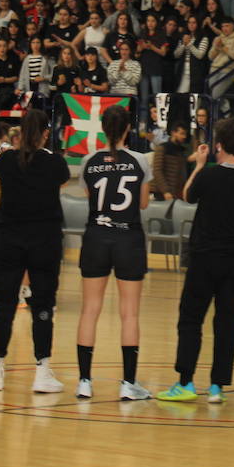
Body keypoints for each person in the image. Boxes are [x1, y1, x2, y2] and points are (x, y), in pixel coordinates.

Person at [157, 118, 234, 404]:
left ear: (218, 145)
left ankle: (186, 382)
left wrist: (200, 165)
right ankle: (217, 386)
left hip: (205, 259)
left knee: (191, 319)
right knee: (228, 322)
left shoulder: (209, 175)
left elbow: (186, 195)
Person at [0, 109, 72, 393]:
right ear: (46, 133)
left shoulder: (6, 160)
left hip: (9, 238)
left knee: (6, 304)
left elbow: (2, 173)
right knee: (43, 305)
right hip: (43, 240)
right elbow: (60, 180)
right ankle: (42, 370)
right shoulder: (55, 162)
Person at [75, 103, 153, 401]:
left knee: (89, 310)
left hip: (95, 237)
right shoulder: (140, 160)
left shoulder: (88, 161)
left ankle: (84, 381)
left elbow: (90, 196)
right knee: (129, 313)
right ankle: (128, 383)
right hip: (128, 239)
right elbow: (144, 204)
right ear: (128, 129)